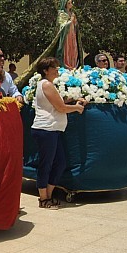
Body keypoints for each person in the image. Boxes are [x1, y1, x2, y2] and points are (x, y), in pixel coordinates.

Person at [31, 57, 86, 208]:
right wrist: (77, 108)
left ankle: (48, 194)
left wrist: (73, 100)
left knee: (60, 163)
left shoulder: (48, 85)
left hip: (53, 129)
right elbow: (60, 108)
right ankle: (43, 199)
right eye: (54, 67)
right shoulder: (47, 85)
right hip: (46, 129)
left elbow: (58, 103)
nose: (57, 69)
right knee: (46, 164)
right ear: (45, 71)